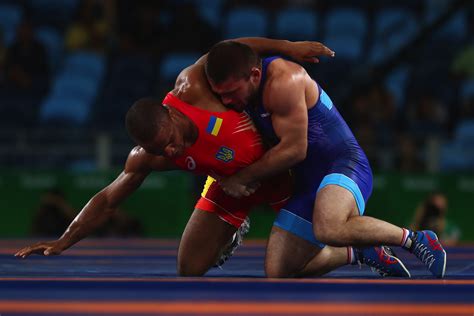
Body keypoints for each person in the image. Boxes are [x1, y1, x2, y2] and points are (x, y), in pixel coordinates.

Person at [15, 38, 407, 278]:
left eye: (169, 142)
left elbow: (232, 49)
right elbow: (108, 198)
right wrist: (64, 241)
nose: (170, 152)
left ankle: (358, 248)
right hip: (227, 185)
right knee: (188, 269)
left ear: (171, 113)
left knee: (285, 264)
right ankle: (348, 250)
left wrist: (287, 48)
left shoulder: (194, 88)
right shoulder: (149, 156)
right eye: (161, 152)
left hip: (277, 174)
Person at [205, 41, 447, 278]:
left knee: (329, 228)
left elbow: (294, 150)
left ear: (255, 75)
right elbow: (230, 45)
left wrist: (243, 177)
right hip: (309, 182)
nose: (227, 102)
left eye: (231, 93)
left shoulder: (284, 81)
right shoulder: (245, 88)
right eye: (221, 95)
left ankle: (416, 240)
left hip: (343, 164)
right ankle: (358, 253)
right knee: (279, 271)